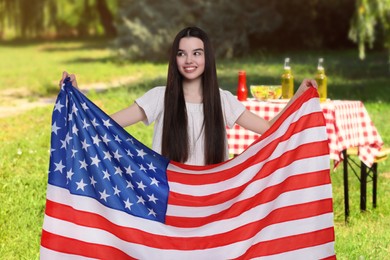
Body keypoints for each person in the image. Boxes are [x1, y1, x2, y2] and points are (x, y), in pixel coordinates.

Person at [60, 26, 317, 166]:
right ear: (175, 58)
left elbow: (270, 129)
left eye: (197, 53)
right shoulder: (159, 97)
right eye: (182, 53)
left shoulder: (222, 99)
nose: (189, 60)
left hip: (213, 194)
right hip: (169, 193)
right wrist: (78, 96)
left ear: (207, 58)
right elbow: (107, 125)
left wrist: (298, 97)